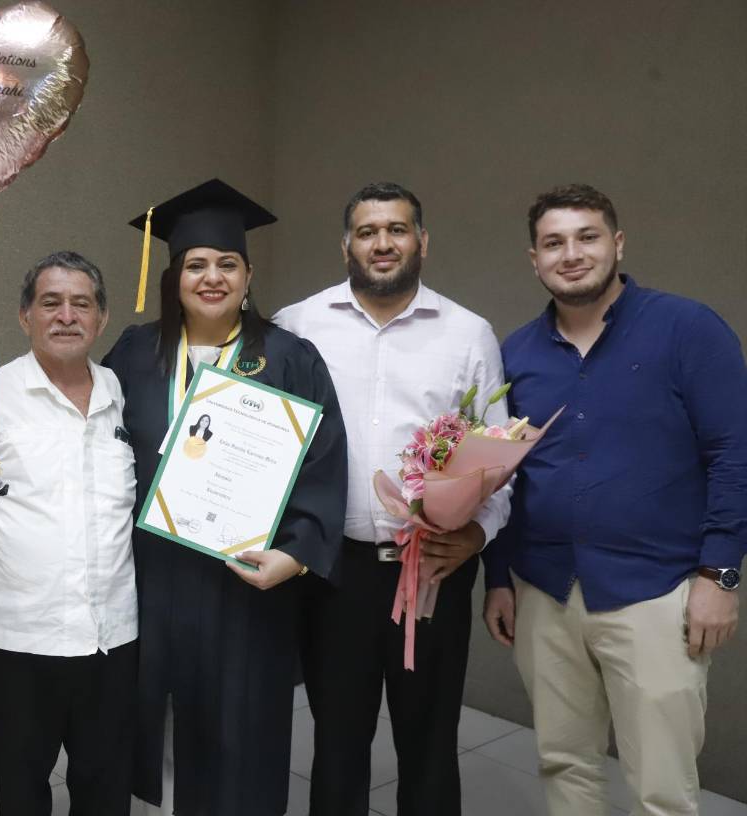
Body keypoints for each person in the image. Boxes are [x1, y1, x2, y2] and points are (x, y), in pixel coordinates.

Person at [482, 184, 747, 815]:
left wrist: (721, 575)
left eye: (587, 237)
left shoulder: (687, 330)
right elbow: (499, 475)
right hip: (544, 590)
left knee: (662, 785)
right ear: (535, 259)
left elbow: (734, 454)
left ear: (618, 243)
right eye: (554, 243)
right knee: (564, 762)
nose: (571, 254)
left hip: (655, 590)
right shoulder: (515, 355)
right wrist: (497, 578)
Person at [103, 178, 347, 816]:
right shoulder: (135, 352)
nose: (212, 278)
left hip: (246, 583)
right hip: (153, 576)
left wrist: (295, 555)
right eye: (196, 265)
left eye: (227, 264)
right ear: (174, 276)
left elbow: (324, 463)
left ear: (248, 275)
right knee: (155, 720)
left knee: (244, 727)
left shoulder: (291, 358)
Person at [275, 181, 512, 816]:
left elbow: (499, 460)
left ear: (422, 242)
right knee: (337, 743)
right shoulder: (298, 325)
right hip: (333, 574)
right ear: (346, 246)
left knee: (429, 743)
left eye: (397, 230)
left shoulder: (468, 334)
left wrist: (477, 534)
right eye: (368, 232)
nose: (383, 243)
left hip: (432, 571)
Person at [0, 251, 138, 816]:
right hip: (19, 637)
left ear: (102, 319)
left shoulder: (120, 392)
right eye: (50, 302)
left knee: (105, 789)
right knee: (23, 790)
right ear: (24, 315)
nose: (66, 316)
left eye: (82, 304)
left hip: (112, 633)